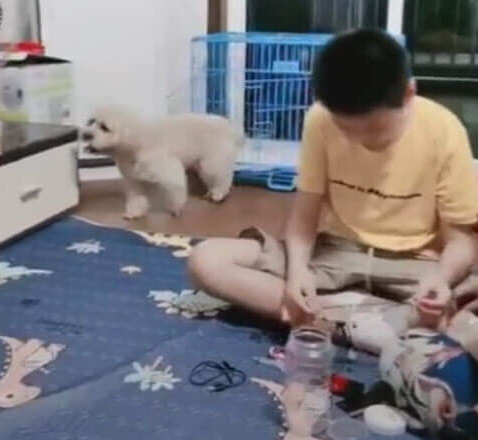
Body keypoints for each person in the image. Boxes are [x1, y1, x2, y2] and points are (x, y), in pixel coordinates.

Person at [188, 29, 478, 326]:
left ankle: (334, 320)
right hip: (334, 253)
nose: (360, 140)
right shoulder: (320, 119)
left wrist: (441, 279)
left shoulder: (443, 131)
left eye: (374, 129)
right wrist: (298, 272)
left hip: (413, 266)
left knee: (460, 314)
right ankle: (373, 324)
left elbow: (461, 243)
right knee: (207, 260)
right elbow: (304, 216)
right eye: (346, 130)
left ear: (408, 94)